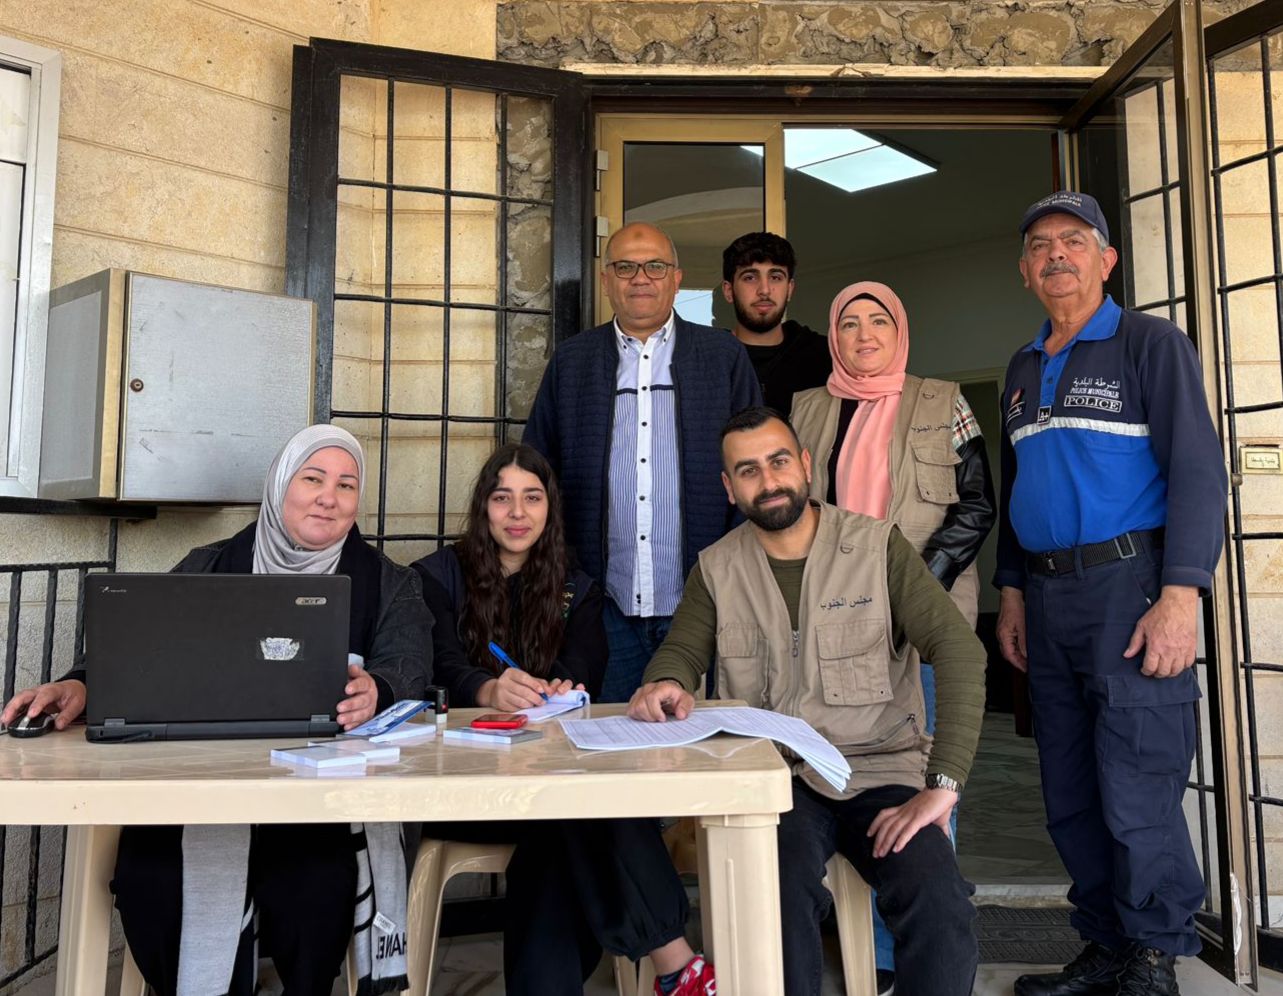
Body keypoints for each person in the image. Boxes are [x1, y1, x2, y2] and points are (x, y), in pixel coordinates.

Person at [1, 424, 433, 996]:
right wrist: (80, 686)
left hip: (315, 804)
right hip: (200, 794)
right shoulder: (210, 565)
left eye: (346, 485)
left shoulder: (389, 584)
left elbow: (410, 666)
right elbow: (139, 653)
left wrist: (378, 689)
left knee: (317, 885)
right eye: (312, 479)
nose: (329, 497)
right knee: (151, 879)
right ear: (279, 486)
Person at [628, 406, 987, 996]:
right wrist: (665, 682)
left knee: (940, 903)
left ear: (804, 464)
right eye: (748, 470)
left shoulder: (878, 548)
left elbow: (960, 652)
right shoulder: (717, 569)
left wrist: (942, 786)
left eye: (778, 462)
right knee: (772, 894)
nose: (768, 481)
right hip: (776, 781)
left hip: (881, 772)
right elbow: (681, 651)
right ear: (729, 487)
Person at [994, 191, 1227, 996]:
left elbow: (1197, 473)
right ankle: (1104, 945)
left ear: (1106, 259)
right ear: (1024, 271)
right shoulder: (1021, 370)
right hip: (1047, 597)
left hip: (1130, 589)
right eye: (1039, 245)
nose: (1055, 254)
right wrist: (1011, 592)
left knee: (1136, 783)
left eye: (1073, 240)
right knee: (1068, 788)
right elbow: (1018, 489)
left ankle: (1153, 955)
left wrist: (1180, 596)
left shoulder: (1149, 344)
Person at [411, 442, 715, 996]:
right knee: (577, 806)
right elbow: (433, 662)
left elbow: (584, 665)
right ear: (483, 507)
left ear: (550, 508)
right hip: (462, 784)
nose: (517, 513)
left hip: (544, 786)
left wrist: (561, 686)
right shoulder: (437, 577)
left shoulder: (578, 588)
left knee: (559, 828)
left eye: (532, 498)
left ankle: (671, 970)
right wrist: (484, 688)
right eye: (502, 498)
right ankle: (676, 964)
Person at [791, 280, 995, 993]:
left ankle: (907, 948)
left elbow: (976, 505)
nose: (864, 334)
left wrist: (909, 589)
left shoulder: (944, 401)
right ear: (833, 337)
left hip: (923, 618)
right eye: (849, 322)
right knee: (841, 773)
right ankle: (850, 936)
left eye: (878, 320)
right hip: (831, 623)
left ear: (898, 330)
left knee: (925, 775)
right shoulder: (807, 408)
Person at [523, 221, 760, 702]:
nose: (640, 278)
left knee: (698, 737)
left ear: (676, 278)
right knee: (609, 736)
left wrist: (732, 566)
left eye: (655, 266)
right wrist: (565, 572)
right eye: (625, 267)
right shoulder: (572, 362)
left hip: (704, 601)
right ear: (606, 280)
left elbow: (756, 467)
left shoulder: (723, 356)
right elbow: (538, 473)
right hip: (602, 605)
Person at [721, 231, 830, 412]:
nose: (764, 290)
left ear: (790, 289)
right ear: (728, 291)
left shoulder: (824, 357)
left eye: (776, 277)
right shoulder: (710, 359)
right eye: (750, 277)